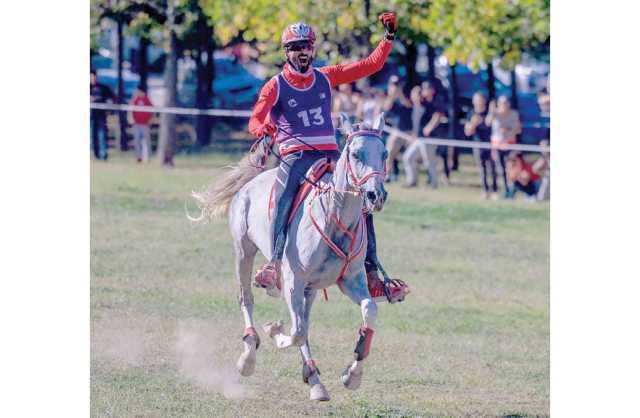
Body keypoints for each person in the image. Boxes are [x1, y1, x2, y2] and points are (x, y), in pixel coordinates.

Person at [247, 14, 408, 303]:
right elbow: (255, 121)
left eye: (306, 45)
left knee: (362, 204)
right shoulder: (275, 85)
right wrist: (264, 128)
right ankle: (273, 264)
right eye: (296, 47)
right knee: (284, 198)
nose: (302, 51)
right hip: (294, 155)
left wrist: (388, 39)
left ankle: (372, 275)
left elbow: (369, 66)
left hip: (330, 154)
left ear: (313, 49)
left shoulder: (325, 76)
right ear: (287, 52)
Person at [402, 81, 448, 188]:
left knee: (429, 162)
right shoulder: (421, 104)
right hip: (419, 139)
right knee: (408, 157)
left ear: (432, 90)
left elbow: (438, 115)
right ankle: (412, 181)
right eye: (424, 89)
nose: (425, 92)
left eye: (427, 89)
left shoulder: (436, 102)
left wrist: (430, 127)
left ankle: (433, 183)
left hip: (430, 138)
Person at [486, 95, 522, 196]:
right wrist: (491, 112)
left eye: (505, 102)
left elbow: (518, 129)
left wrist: (508, 130)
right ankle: (504, 189)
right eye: (501, 103)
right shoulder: (495, 113)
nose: (504, 105)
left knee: (510, 168)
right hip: (497, 144)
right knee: (500, 168)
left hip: (510, 144)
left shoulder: (514, 114)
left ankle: (511, 189)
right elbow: (487, 123)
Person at [464, 92, 498, 199]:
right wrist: (473, 124)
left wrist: (491, 112)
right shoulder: (471, 113)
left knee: (492, 168)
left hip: (491, 144)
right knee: (482, 168)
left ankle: (494, 191)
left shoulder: (489, 112)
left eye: (479, 99)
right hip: (478, 144)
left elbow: (490, 123)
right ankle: (485, 190)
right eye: (475, 99)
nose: (477, 102)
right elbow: (467, 132)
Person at [382, 75, 412, 182]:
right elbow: (385, 108)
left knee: (413, 156)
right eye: (393, 85)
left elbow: (409, 105)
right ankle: (387, 175)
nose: (395, 87)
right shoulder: (389, 96)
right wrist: (392, 96)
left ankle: (412, 179)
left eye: (396, 85)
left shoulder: (406, 93)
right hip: (397, 130)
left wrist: (400, 95)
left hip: (409, 131)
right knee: (389, 153)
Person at [90, 70, 115, 160]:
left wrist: (109, 107)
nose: (92, 78)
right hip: (91, 116)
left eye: (93, 76)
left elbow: (112, 98)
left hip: (101, 116)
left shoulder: (103, 87)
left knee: (102, 135)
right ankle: (96, 155)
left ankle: (103, 155)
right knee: (92, 136)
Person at [128, 84, 154, 163]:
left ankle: (147, 157)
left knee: (146, 141)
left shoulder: (147, 100)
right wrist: (131, 118)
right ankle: (138, 157)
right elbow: (130, 109)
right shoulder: (135, 99)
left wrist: (150, 120)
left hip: (145, 124)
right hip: (137, 123)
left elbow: (152, 111)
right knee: (137, 140)